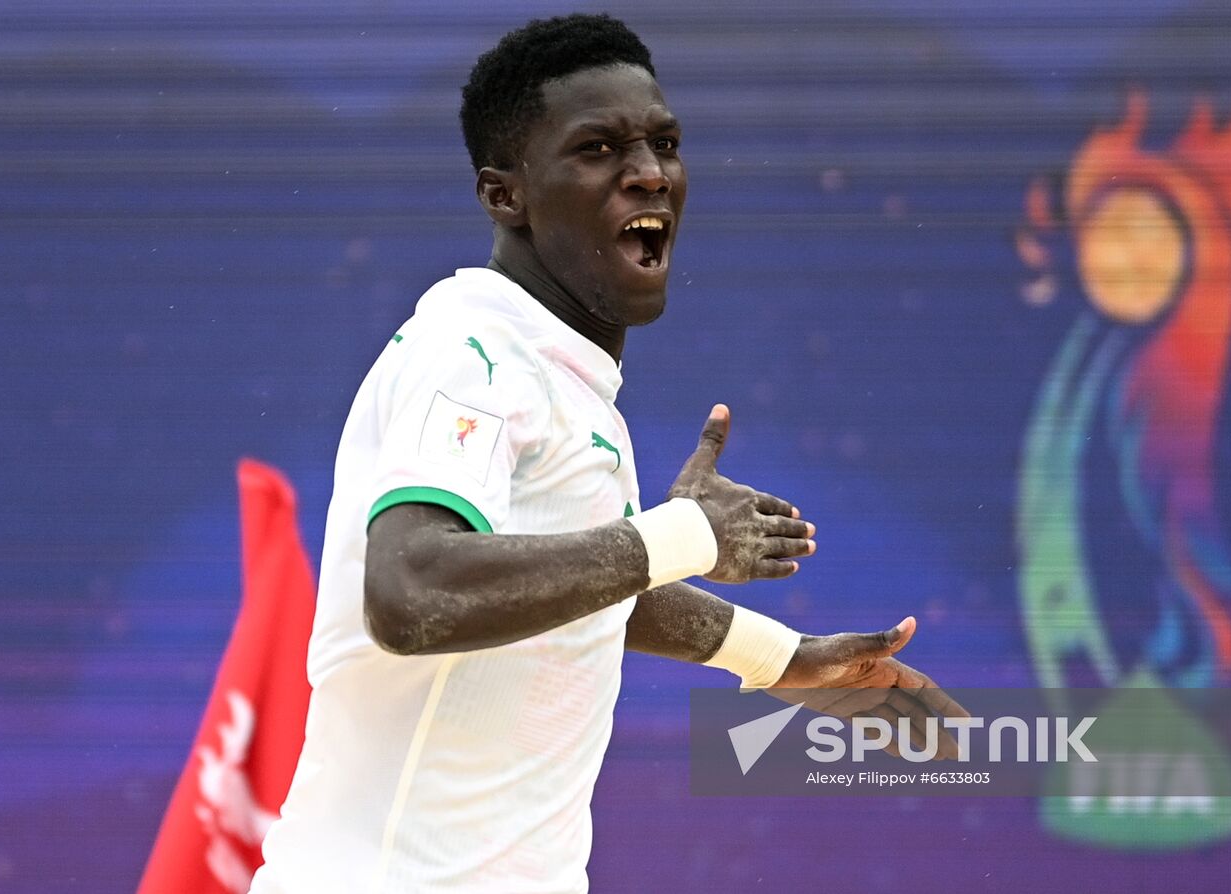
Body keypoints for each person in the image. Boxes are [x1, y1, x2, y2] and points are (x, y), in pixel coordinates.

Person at [250, 14, 957, 893]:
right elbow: (413, 592)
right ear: (504, 195)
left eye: (664, 143)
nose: (650, 173)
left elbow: (568, 593)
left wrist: (779, 657)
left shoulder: (559, 375)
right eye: (598, 149)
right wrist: (686, 535)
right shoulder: (470, 355)